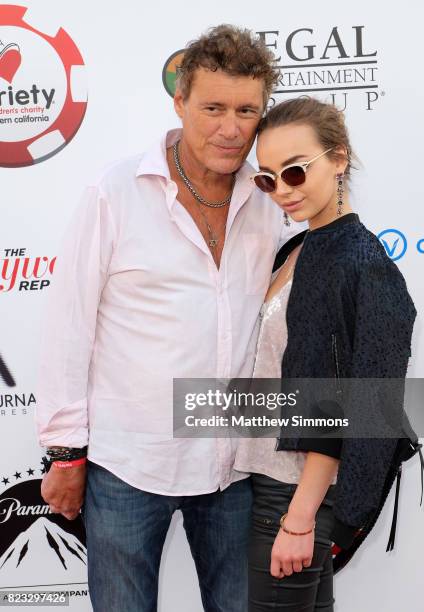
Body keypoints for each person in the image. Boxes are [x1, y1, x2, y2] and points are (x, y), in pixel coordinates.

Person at [35, 25, 302, 612]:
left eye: (246, 110)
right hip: (130, 463)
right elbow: (66, 329)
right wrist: (64, 452)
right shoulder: (116, 192)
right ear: (179, 101)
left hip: (232, 464)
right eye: (212, 107)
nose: (230, 128)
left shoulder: (270, 202)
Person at [234, 97, 420, 611]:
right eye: (268, 179)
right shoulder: (300, 248)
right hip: (271, 480)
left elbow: (358, 401)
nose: (282, 192)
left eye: (295, 172)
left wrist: (300, 517)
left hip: (296, 492)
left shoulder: (360, 261)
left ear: (338, 159)